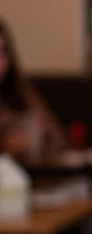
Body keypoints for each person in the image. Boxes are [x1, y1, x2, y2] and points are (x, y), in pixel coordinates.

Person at [0, 18, 66, 159]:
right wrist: (4, 145)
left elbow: (58, 139)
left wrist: (41, 136)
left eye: (2, 52)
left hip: (33, 176)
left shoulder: (18, 90)